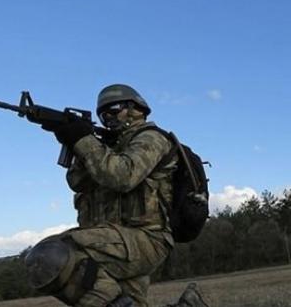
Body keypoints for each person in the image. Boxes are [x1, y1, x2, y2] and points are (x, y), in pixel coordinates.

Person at [23, 84, 208, 307]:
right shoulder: (107, 148)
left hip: (146, 238)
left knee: (50, 256)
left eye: (114, 110)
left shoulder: (152, 138)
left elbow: (122, 176)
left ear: (135, 109)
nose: (108, 118)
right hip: (115, 240)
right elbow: (77, 182)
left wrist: (83, 140)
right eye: (103, 115)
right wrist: (77, 141)